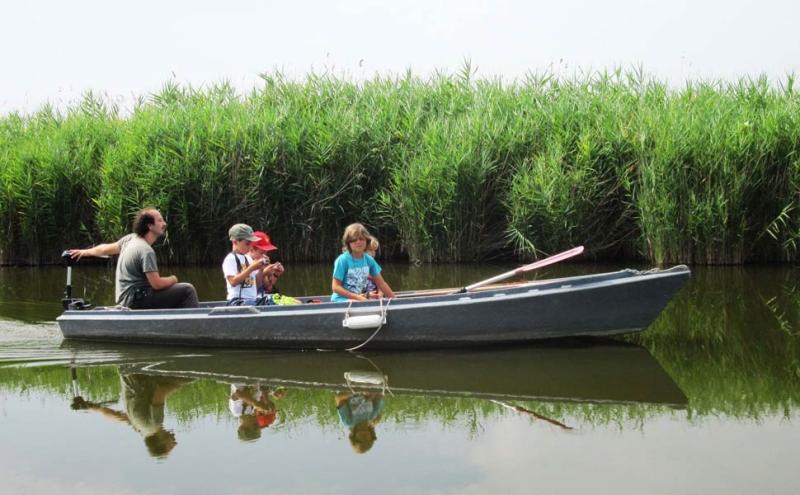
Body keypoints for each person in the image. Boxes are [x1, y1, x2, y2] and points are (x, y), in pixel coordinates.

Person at [68, 208, 199, 309]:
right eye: (160, 220)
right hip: (135, 301)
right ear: (150, 226)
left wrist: (85, 252)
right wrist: (173, 279)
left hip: (126, 299)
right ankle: (195, 327)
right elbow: (157, 284)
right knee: (187, 290)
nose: (164, 223)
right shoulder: (146, 251)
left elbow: (104, 249)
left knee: (177, 294)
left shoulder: (130, 239)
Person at [71, 371, 191, 458]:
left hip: (138, 373)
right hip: (126, 373)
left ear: (161, 442)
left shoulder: (155, 424)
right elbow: (117, 417)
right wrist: (92, 407)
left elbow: (161, 392)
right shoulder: (141, 428)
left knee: (192, 377)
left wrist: (178, 387)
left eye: (170, 447)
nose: (175, 443)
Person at [331, 223, 395, 302]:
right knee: (359, 303)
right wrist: (358, 298)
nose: (358, 242)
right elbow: (335, 287)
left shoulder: (369, 260)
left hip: (360, 299)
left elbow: (381, 284)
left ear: (366, 241)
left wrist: (395, 300)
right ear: (348, 243)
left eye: (361, 239)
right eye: (354, 240)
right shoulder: (342, 260)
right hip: (341, 299)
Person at [222, 223, 265, 305]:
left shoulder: (248, 258)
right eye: (247, 243)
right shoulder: (230, 259)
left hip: (252, 300)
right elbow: (233, 282)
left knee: (271, 300)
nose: (250, 246)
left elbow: (257, 284)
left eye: (251, 243)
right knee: (251, 303)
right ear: (235, 242)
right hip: (236, 301)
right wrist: (251, 268)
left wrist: (261, 268)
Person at [249, 231, 285, 296]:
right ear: (251, 249)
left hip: (262, 298)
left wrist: (275, 274)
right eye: (262, 252)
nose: (265, 255)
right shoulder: (245, 263)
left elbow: (268, 287)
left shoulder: (263, 261)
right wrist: (264, 272)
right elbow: (250, 288)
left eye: (266, 252)